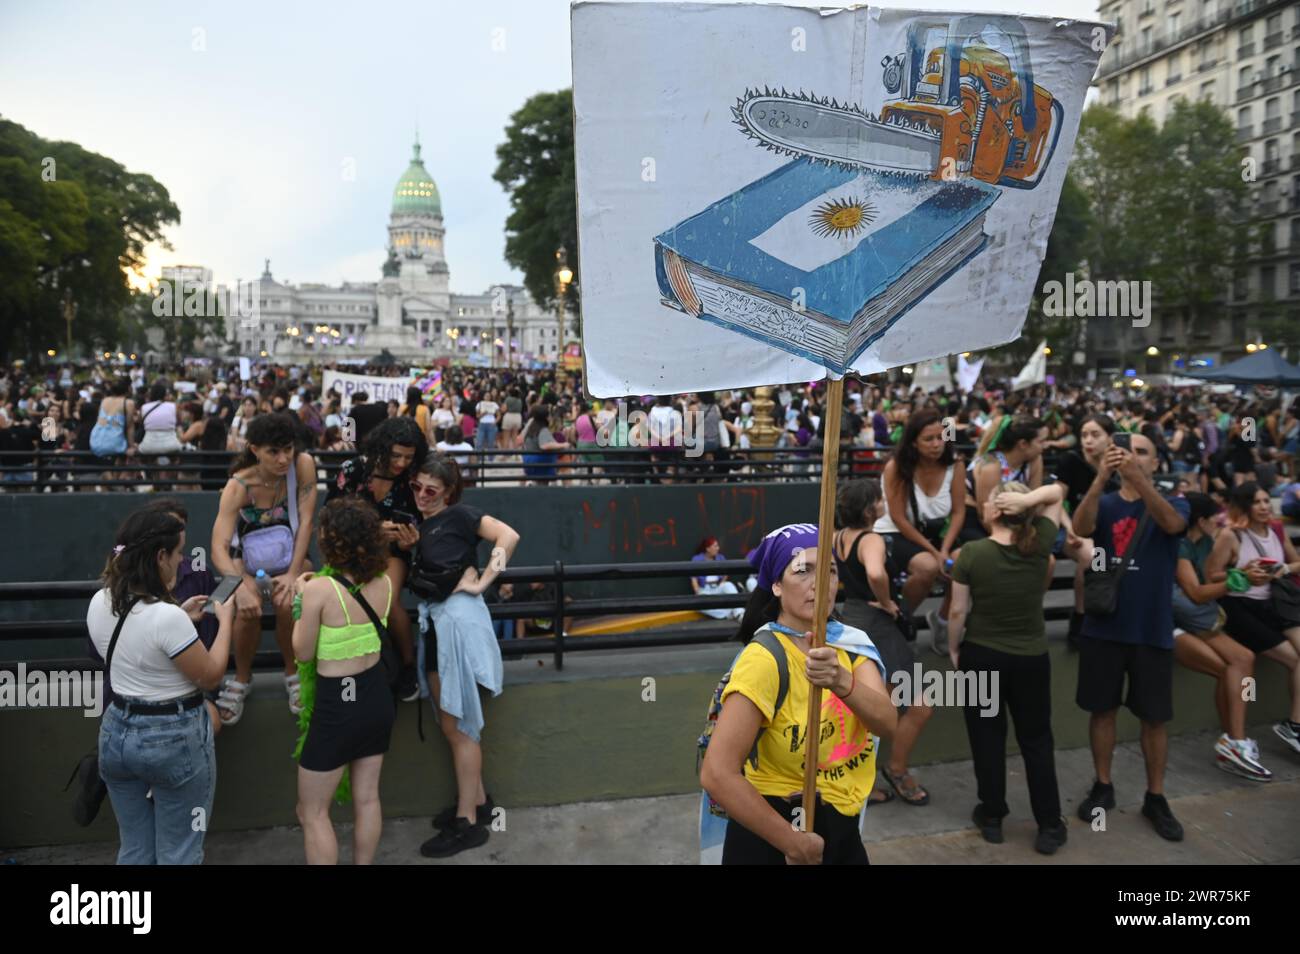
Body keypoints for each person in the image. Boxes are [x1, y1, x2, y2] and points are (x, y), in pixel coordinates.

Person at [699, 523, 896, 864]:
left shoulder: (852, 646)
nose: (820, 583)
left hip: (841, 826)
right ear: (776, 584)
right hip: (772, 828)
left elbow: (886, 723)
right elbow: (717, 773)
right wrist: (792, 842)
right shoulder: (764, 659)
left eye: (829, 571)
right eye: (803, 570)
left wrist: (842, 682)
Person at [88, 506, 235, 863]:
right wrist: (226, 620)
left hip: (116, 733)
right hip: (173, 740)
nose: (183, 559)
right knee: (180, 852)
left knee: (135, 848)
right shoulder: (167, 619)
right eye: (179, 552)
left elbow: (138, 644)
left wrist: (179, 617)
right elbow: (211, 674)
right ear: (160, 556)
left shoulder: (100, 600)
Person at [1072, 431, 1190, 841]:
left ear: (1156, 462)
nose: (1133, 457)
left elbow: (1172, 525)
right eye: (1128, 451)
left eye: (1143, 452)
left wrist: (1139, 481)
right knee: (1101, 711)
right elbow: (1081, 526)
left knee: (1154, 718)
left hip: (1151, 629)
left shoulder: (1175, 502)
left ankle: (1155, 796)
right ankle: (1103, 785)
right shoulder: (1104, 502)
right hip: (1105, 627)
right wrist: (1099, 478)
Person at [948, 480, 1072, 854]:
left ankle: (992, 817)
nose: (983, 506)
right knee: (1036, 740)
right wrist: (1031, 499)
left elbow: (957, 611)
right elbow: (1058, 492)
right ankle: (1049, 824)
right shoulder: (1040, 544)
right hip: (1031, 658)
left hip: (981, 655)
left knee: (986, 738)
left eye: (989, 501)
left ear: (999, 508)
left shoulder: (971, 553)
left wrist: (955, 648)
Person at [409, 453, 520, 857]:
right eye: (417, 487)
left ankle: (467, 824)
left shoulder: (458, 516)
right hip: (441, 624)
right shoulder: (422, 524)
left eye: (431, 490)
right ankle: (476, 802)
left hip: (455, 624)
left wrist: (485, 581)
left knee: (460, 728)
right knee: (455, 725)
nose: (422, 495)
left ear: (449, 492)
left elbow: (508, 536)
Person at [291, 498, 399, 864]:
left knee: (312, 812)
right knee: (367, 799)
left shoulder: (320, 591)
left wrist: (301, 599)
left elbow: (302, 653)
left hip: (339, 705)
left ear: (331, 540)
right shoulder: (384, 582)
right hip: (376, 698)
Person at [210, 412, 318, 725]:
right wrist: (239, 583)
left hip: (293, 558)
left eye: (288, 449)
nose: (284, 458)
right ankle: (242, 678)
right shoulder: (238, 485)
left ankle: (292, 674)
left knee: (289, 601)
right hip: (243, 564)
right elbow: (217, 547)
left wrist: (292, 572)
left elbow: (307, 521)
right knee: (244, 606)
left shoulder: (304, 465)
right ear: (255, 449)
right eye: (274, 451)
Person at [832, 478, 931, 807]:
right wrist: (889, 603)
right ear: (869, 508)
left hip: (851, 621)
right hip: (877, 626)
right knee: (917, 704)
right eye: (879, 498)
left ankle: (865, 779)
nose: (884, 501)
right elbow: (875, 574)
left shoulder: (836, 538)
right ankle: (896, 770)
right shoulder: (871, 539)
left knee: (862, 708)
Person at [1171, 492, 1270, 780]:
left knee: (1241, 664)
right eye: (1216, 515)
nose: (1221, 520)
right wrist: (1240, 581)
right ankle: (1235, 742)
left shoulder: (1204, 541)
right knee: (1237, 664)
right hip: (1171, 623)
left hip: (1195, 620)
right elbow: (1196, 593)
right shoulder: (1179, 546)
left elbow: (1210, 577)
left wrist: (1242, 571)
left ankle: (1233, 741)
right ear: (1201, 521)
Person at [327, 416, 425, 701]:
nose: (403, 463)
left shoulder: (413, 477)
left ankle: (406, 666)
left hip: (394, 554)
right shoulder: (354, 470)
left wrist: (412, 539)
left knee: (387, 597)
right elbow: (330, 518)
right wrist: (371, 529)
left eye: (409, 456)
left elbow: (425, 519)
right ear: (382, 447)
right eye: (397, 455)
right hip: (352, 550)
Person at [1205, 481, 1300, 756]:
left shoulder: (1277, 530)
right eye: (1256, 502)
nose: (1263, 506)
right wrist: (1244, 573)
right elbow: (1212, 575)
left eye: (1265, 501)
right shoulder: (1231, 535)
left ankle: (1294, 724)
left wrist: (1280, 568)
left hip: (1273, 605)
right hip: (1239, 608)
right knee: (1292, 660)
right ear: (1245, 506)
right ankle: (1291, 727)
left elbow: (1296, 563)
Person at [874, 409, 967, 656]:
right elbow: (898, 517)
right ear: (913, 442)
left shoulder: (955, 464)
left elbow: (958, 512)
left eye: (940, 437)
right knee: (928, 567)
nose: (937, 444)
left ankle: (943, 620)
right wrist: (935, 553)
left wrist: (944, 550)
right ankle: (901, 618)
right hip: (895, 532)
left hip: (936, 534)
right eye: (929, 439)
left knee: (964, 562)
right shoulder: (897, 467)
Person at [1050, 413, 1119, 649]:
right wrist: (1072, 530)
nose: (1088, 440)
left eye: (1095, 435)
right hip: (1071, 531)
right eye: (1084, 435)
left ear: (1111, 438)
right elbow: (1056, 502)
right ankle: (1082, 618)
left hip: (1111, 530)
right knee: (1092, 556)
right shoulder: (1070, 461)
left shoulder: (1119, 463)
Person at [689, 536, 743, 621]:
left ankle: (739, 613)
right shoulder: (697, 559)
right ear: (708, 549)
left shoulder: (720, 557)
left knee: (728, 585)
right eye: (715, 546)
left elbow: (727, 571)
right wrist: (697, 591)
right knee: (698, 604)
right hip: (705, 590)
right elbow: (693, 578)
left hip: (717, 587)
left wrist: (722, 582)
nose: (718, 548)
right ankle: (727, 614)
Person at [519, 405, 566, 485]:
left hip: (528, 462)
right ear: (545, 417)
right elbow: (544, 445)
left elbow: (522, 439)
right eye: (549, 415)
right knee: (543, 485)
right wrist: (563, 445)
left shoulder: (531, 427)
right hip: (541, 464)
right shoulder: (543, 430)